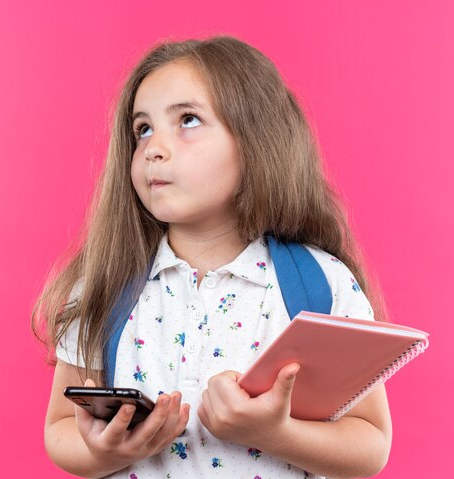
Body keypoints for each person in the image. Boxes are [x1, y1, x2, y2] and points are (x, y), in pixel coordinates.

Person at [32, 35, 392, 479]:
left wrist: (276, 434)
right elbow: (61, 429)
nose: (153, 149)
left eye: (187, 120)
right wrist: (106, 451)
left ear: (256, 141)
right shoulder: (103, 285)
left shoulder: (321, 283)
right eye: (142, 129)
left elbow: (371, 444)